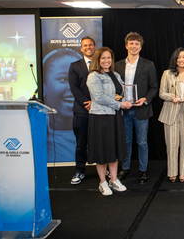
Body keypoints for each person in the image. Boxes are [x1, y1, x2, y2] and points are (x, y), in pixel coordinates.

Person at [86, 47, 132, 196]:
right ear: (97, 60)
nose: (106, 61)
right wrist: (120, 105)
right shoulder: (94, 76)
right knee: (102, 151)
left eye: (109, 58)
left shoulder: (116, 75)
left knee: (114, 150)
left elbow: (119, 94)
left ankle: (113, 180)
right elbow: (99, 97)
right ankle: (102, 182)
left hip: (115, 117)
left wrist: (127, 102)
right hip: (100, 118)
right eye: (103, 58)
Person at [115, 32, 158, 184]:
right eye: (131, 44)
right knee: (125, 141)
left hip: (141, 109)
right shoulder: (117, 65)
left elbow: (154, 87)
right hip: (123, 109)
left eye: (136, 44)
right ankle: (125, 169)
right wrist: (117, 98)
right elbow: (113, 87)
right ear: (126, 46)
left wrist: (145, 99)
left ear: (140, 47)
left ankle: (143, 171)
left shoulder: (148, 64)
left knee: (142, 142)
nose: (134, 46)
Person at [159, 48, 184, 183]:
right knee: (172, 145)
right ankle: (172, 173)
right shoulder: (167, 73)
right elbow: (161, 93)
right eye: (179, 57)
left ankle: (183, 172)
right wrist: (173, 97)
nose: (181, 60)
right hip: (171, 112)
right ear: (175, 59)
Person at [43, 48, 82, 162]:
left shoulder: (93, 133)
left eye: (78, 80)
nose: (72, 87)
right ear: (44, 85)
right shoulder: (38, 133)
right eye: (63, 79)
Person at [68, 36, 96, 185]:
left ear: (95, 46)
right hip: (82, 110)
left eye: (90, 44)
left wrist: (96, 103)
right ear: (81, 48)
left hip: (99, 110)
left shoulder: (102, 64)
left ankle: (102, 169)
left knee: (99, 141)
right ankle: (79, 170)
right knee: (81, 143)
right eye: (85, 45)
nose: (88, 47)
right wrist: (87, 102)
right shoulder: (74, 66)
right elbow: (74, 88)